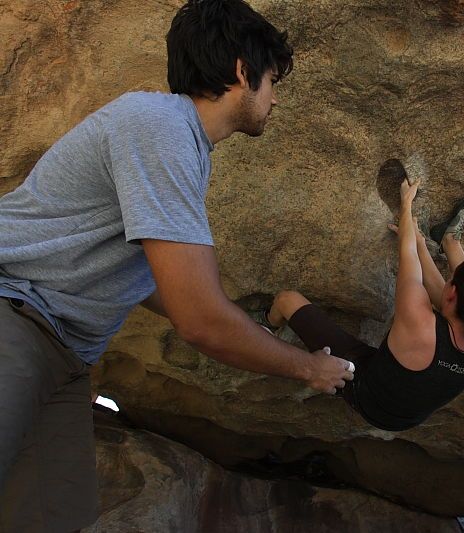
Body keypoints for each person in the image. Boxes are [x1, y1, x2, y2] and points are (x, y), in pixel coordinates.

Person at [0, 1, 352, 530]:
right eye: (273, 81)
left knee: (54, 517)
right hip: (14, 315)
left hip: (63, 355)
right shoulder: (159, 126)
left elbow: (152, 280)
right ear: (241, 71)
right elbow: (199, 320)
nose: (275, 98)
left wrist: (244, 327)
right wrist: (307, 367)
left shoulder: (183, 146)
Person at [254, 178, 464, 431]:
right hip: (408, 416)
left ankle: (266, 324)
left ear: (452, 293)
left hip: (369, 396)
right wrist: (420, 242)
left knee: (287, 300)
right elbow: (454, 295)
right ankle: (449, 240)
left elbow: (407, 253)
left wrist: (406, 205)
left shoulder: (419, 321)